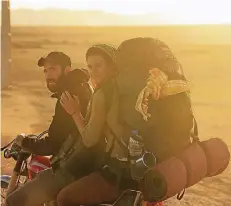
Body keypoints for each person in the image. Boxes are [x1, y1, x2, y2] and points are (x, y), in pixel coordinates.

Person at [6, 52, 92, 206]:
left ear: (67, 70)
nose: (48, 75)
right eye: (46, 71)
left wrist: (25, 142)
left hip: (73, 167)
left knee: (14, 201)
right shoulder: (81, 86)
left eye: (53, 69)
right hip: (84, 163)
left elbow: (52, 145)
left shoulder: (68, 95)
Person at [56, 44, 131, 206]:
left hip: (118, 171)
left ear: (110, 66)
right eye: (90, 66)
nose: (93, 71)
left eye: (98, 65)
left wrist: (74, 112)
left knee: (64, 198)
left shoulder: (104, 94)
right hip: (135, 164)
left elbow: (89, 139)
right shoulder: (123, 88)